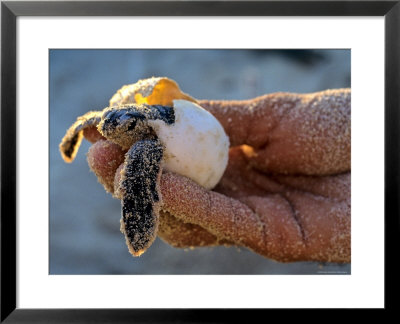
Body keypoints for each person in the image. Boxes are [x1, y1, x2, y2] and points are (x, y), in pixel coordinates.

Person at [84, 88, 351, 263]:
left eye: (126, 127)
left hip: (206, 158)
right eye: (109, 124)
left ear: (139, 125)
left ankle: (139, 230)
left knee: (139, 170)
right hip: (207, 158)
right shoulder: (125, 122)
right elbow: (109, 121)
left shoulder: (148, 145)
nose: (112, 132)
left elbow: (149, 145)